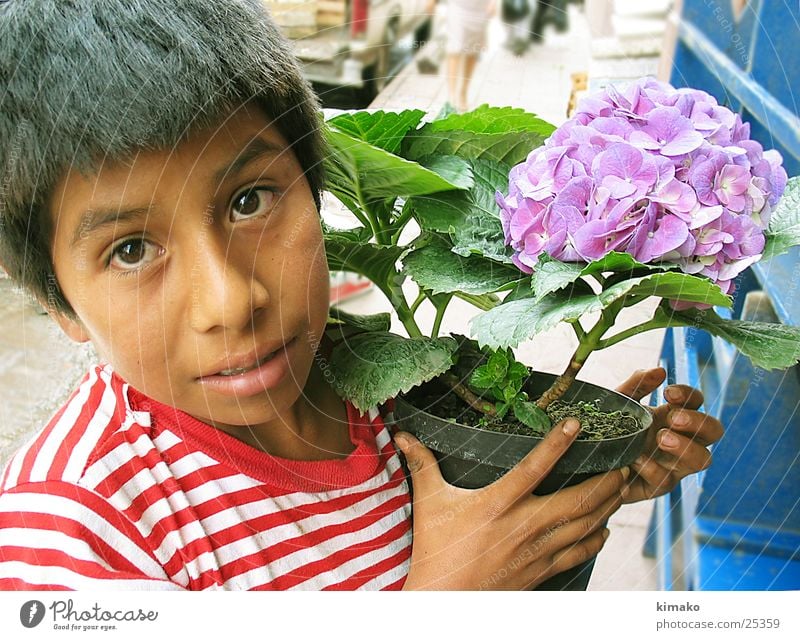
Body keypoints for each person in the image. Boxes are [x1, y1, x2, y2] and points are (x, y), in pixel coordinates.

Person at [0, 0, 722, 590]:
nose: (230, 301)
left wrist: (578, 475)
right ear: (59, 302)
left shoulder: (382, 376)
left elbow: (482, 523)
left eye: (250, 201)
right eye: (131, 251)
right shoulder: (74, 532)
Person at [445, 0, 497, 111]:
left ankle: (463, 92)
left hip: (481, 9)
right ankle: (452, 96)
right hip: (457, 6)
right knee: (454, 49)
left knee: (472, 52)